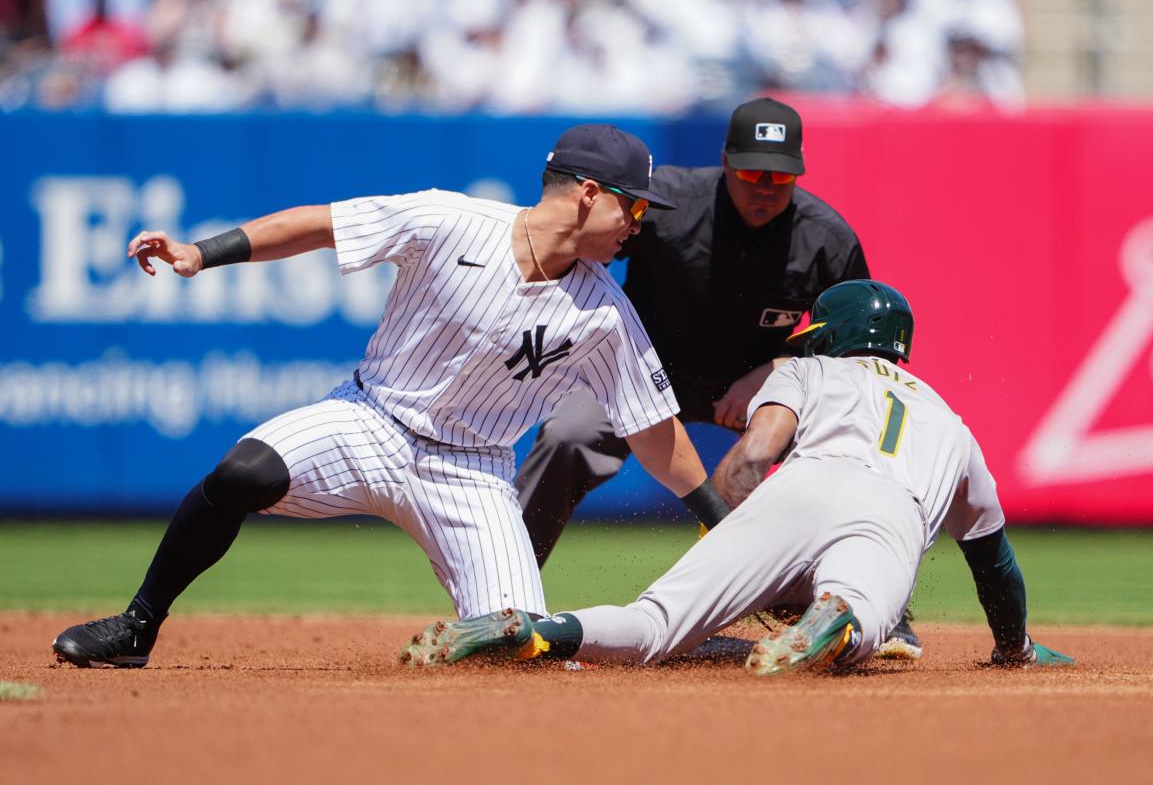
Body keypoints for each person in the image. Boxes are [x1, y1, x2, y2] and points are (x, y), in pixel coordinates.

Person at [52, 124, 733, 669]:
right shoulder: (451, 220)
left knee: (514, 644)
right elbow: (323, 224)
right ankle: (137, 626)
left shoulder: (606, 312)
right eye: (633, 204)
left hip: (473, 473)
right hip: (369, 421)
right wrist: (202, 253)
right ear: (588, 192)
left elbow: (653, 430)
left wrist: (716, 518)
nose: (638, 223)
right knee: (242, 473)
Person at [403, 280, 1074, 675]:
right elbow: (996, 564)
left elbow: (755, 456)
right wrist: (1014, 647)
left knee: (654, 626)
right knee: (865, 625)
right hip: (890, 511)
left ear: (831, 336)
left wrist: (733, 548)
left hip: (799, 484)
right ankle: (834, 616)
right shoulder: (952, 425)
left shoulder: (807, 370)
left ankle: (534, 629)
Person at [516, 97, 921, 659]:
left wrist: (780, 370)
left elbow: (853, 360)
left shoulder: (825, 237)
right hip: (638, 372)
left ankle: (885, 613)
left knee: (848, 449)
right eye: (752, 171)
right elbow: (585, 252)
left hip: (762, 391)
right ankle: (507, 593)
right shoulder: (667, 205)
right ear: (726, 162)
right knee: (568, 436)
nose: (765, 185)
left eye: (780, 175)